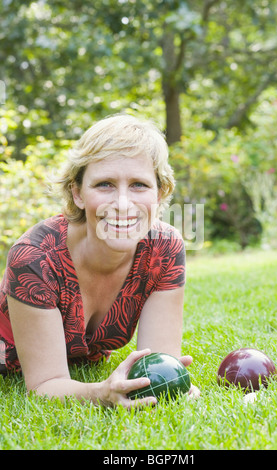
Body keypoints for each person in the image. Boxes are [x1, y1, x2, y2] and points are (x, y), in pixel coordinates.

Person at [0, 114, 200, 407]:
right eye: (105, 184)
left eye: (139, 185)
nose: (122, 204)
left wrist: (168, 382)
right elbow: (44, 384)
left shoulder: (164, 249)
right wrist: (100, 394)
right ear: (78, 193)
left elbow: (155, 362)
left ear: (161, 192)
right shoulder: (34, 257)